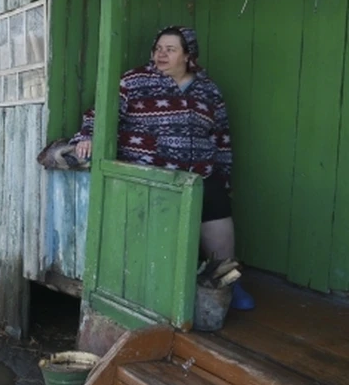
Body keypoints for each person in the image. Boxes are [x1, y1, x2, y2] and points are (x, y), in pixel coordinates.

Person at [70, 26, 254, 310]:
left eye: (170, 49)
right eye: (158, 48)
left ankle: (228, 281)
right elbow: (100, 112)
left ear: (188, 55)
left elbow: (221, 138)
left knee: (217, 202)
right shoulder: (134, 81)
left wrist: (224, 177)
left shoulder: (209, 90)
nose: (161, 54)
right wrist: (87, 135)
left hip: (199, 173)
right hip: (150, 172)